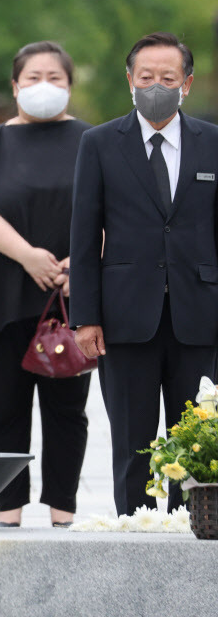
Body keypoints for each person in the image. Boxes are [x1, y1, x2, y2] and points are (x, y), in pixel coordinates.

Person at [70, 32, 218, 516]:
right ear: (130, 80)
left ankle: (194, 528)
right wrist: (85, 317)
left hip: (199, 315)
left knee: (196, 441)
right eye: (147, 76)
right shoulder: (99, 143)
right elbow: (85, 236)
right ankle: (131, 528)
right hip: (124, 316)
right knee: (133, 441)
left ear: (187, 84)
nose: (157, 85)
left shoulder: (212, 143)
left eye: (168, 78)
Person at [0, 41, 91, 528]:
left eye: (55, 78)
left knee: (68, 414)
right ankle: (8, 516)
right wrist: (27, 256)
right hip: (4, 293)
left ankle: (62, 513)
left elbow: (110, 213)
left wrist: (77, 264)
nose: (44, 87)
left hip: (69, 297)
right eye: (34, 77)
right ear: (15, 85)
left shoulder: (92, 140)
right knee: (4, 412)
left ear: (69, 85)